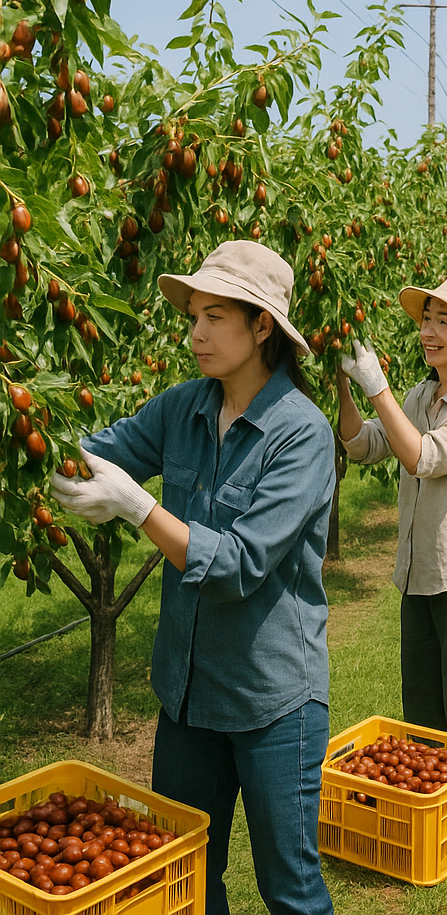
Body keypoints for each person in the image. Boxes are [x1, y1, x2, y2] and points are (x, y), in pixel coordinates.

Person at [50, 240, 335, 915]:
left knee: (289, 888)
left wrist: (139, 506)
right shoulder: (184, 408)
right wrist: (29, 425)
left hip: (273, 703)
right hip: (186, 699)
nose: (195, 333)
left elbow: (237, 566)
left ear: (262, 326)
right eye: (192, 317)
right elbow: (96, 449)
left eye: (214, 317)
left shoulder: (301, 435)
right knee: (185, 880)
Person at [336, 273, 447, 743]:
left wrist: (376, 386)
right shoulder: (416, 397)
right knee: (423, 720)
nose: (428, 332)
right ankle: (435, 815)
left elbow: (424, 458)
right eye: (426, 320)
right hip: (417, 575)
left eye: (443, 322)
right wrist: (345, 382)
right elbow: (362, 443)